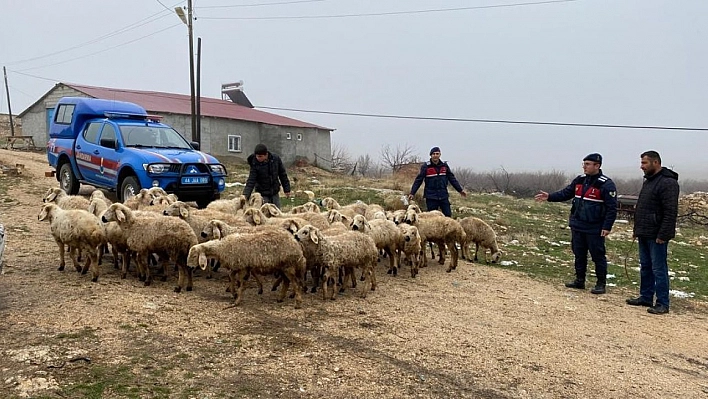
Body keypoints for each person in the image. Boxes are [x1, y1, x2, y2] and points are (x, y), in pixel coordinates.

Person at [534, 153, 617, 294]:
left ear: (597, 166)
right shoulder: (580, 180)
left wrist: (607, 227)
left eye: (587, 164)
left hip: (594, 227)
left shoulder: (606, 184)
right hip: (578, 224)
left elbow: (611, 208)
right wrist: (549, 197)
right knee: (579, 253)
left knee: (597, 255)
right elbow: (566, 193)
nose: (584, 166)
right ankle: (579, 280)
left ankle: (601, 284)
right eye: (583, 163)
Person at [626, 150, 679, 315]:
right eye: (641, 163)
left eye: (645, 163)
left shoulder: (668, 183)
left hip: (657, 236)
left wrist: (663, 235)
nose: (641, 166)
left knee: (659, 268)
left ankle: (663, 303)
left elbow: (670, 212)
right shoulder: (648, 181)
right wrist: (637, 230)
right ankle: (646, 296)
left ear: (656, 163)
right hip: (644, 232)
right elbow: (643, 207)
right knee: (645, 266)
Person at [408, 146, 467, 217]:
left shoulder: (444, 166)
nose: (435, 155)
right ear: (431, 155)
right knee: (432, 218)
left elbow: (452, 179)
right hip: (431, 196)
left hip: (443, 195)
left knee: (448, 216)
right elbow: (419, 180)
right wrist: (412, 193)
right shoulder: (426, 166)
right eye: (433, 154)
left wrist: (460, 190)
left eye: (437, 154)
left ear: (440, 155)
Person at [243, 143, 292, 208]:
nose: (258, 158)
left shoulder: (275, 159)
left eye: (260, 156)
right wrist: (245, 196)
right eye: (257, 156)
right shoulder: (254, 163)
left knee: (277, 213)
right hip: (262, 194)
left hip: (274, 192)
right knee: (265, 213)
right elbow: (251, 180)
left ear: (266, 155)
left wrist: (287, 189)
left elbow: (282, 174)